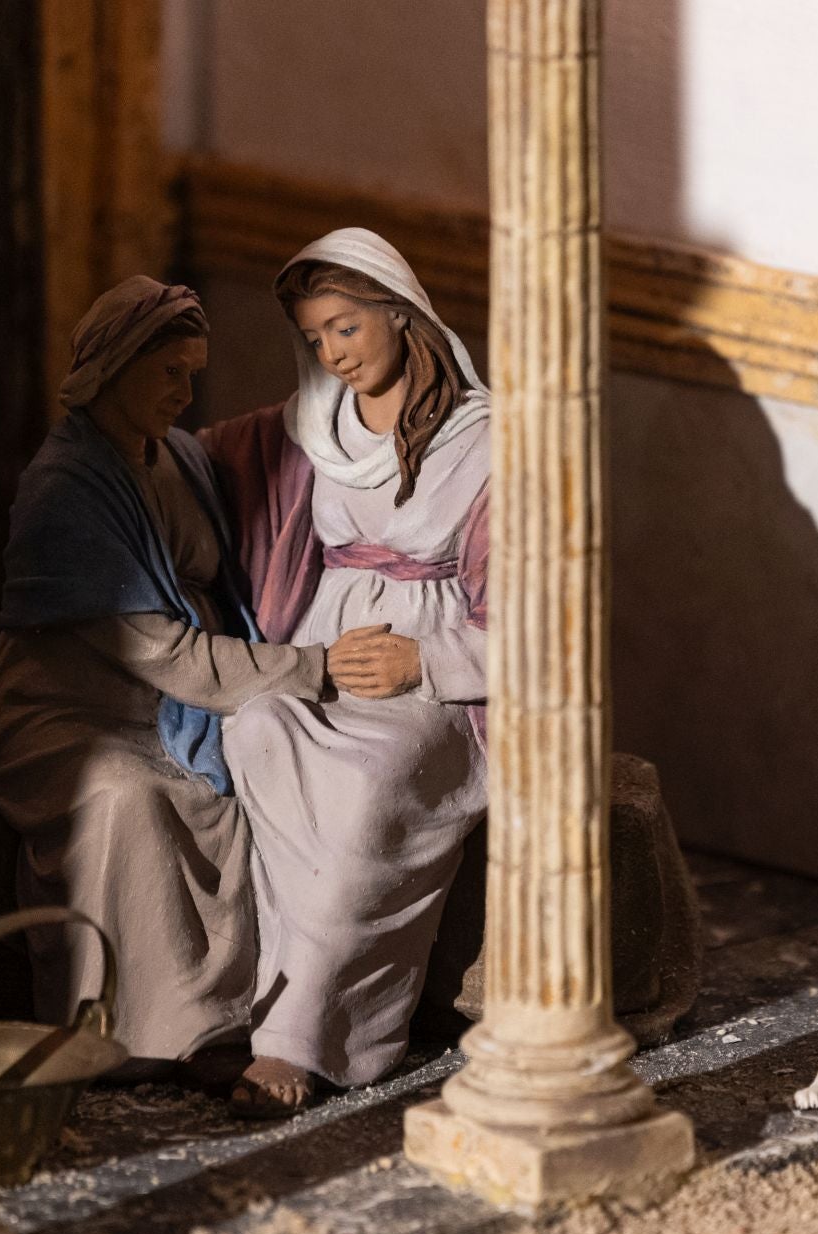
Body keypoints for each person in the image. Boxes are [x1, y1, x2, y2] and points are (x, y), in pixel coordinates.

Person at [0, 277, 327, 1070]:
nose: (185, 390)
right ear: (115, 366)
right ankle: (123, 1032)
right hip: (64, 713)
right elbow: (158, 650)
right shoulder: (64, 490)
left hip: (166, 705)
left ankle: (218, 1020)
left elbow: (260, 444)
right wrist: (308, 668)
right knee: (129, 799)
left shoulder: (176, 459)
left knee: (254, 777)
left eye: (193, 373)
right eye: (169, 371)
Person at [202, 228, 491, 1116]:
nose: (332, 353)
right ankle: (284, 1010)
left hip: (433, 675)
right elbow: (189, 460)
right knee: (254, 726)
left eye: (346, 329)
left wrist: (427, 660)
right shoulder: (308, 427)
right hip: (322, 658)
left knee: (372, 786)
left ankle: (308, 1041)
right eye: (316, 336)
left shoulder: (490, 443)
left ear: (400, 314)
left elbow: (550, 615)